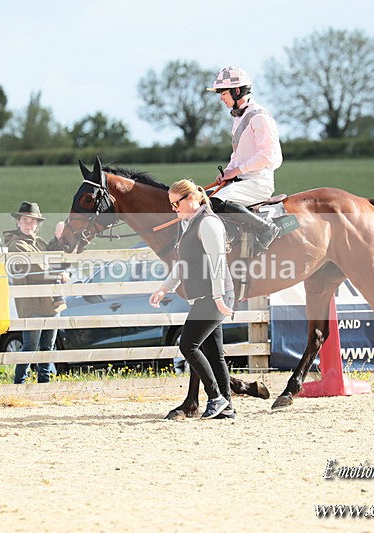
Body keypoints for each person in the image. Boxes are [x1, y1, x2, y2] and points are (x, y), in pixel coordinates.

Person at [149, 179, 235, 419]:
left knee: (188, 345)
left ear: (190, 199)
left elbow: (218, 262)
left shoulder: (207, 223)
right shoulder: (190, 224)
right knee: (213, 352)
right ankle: (227, 407)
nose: (174, 209)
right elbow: (183, 264)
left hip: (213, 295)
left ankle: (216, 397)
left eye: (176, 203)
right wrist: (165, 288)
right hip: (205, 296)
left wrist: (218, 296)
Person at [206, 66, 283, 254]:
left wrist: (236, 171)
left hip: (258, 182)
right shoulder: (240, 118)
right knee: (203, 199)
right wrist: (227, 172)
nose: (221, 98)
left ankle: (266, 229)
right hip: (243, 180)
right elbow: (238, 156)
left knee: (214, 201)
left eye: (222, 93)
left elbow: (267, 156)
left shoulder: (259, 117)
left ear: (237, 90)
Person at [2, 201, 69, 384]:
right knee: (30, 346)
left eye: (32, 222)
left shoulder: (39, 242)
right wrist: (59, 275)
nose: (28, 225)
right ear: (18, 222)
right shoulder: (16, 246)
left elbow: (54, 260)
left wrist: (57, 239)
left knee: (48, 346)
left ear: (37, 224)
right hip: (32, 304)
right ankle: (19, 382)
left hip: (49, 302)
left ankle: (44, 382)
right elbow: (35, 271)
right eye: (25, 220)